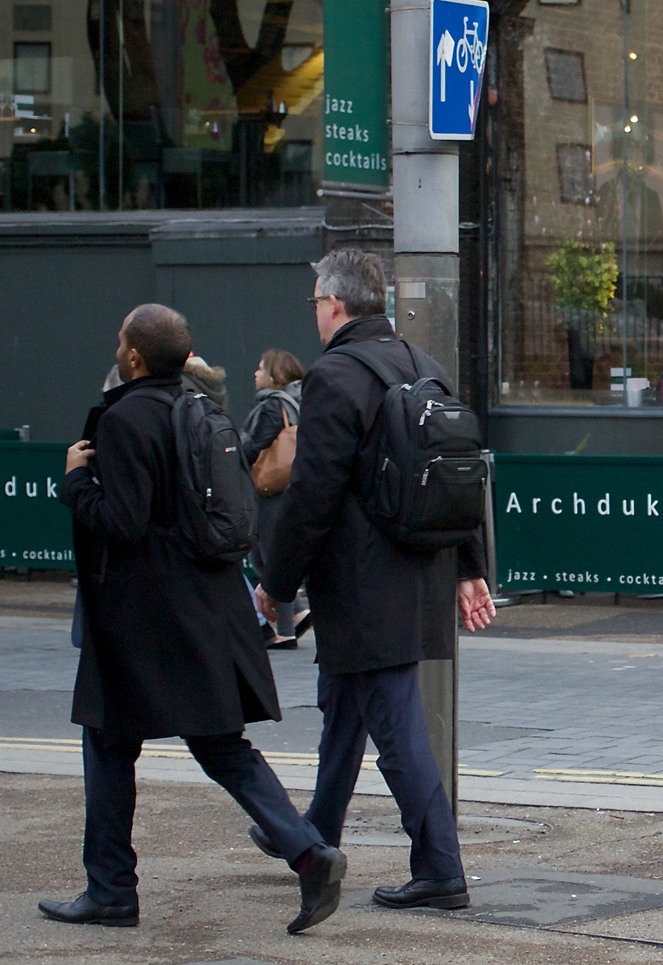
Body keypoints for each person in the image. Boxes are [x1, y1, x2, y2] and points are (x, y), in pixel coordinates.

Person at [43, 303, 346, 934]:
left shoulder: (126, 419)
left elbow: (122, 523)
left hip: (140, 617)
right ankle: (309, 852)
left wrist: (75, 483)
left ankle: (110, 890)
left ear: (132, 357)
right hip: (207, 604)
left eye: (121, 340)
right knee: (220, 746)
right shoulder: (203, 411)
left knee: (106, 741)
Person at [253, 249, 496, 912]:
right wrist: (468, 569)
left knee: (395, 728)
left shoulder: (335, 376)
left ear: (334, 304)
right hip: (421, 570)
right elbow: (460, 470)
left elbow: (313, 494)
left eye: (314, 300)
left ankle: (441, 869)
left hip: (363, 583)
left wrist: (275, 581)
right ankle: (310, 837)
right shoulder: (423, 365)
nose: (315, 311)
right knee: (344, 711)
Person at [244, 347, 310, 649]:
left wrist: (236, 456)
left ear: (274, 374)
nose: (256, 374)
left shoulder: (273, 406)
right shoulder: (294, 401)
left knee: (269, 557)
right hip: (284, 488)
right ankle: (296, 613)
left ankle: (283, 631)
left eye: (260, 368)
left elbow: (258, 444)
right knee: (263, 555)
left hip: (272, 489)